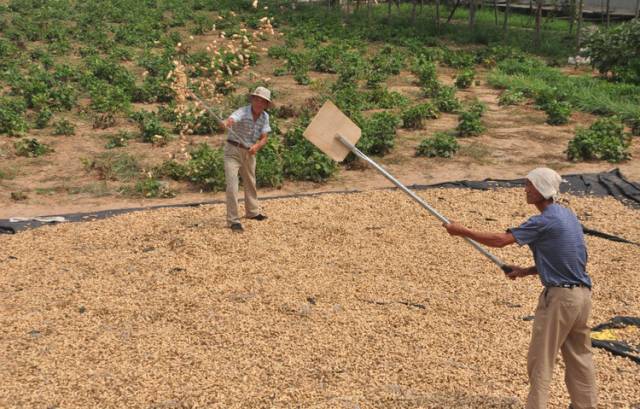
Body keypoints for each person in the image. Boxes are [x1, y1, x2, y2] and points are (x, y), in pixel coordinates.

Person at [443, 167, 597, 409]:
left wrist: (463, 231)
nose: (525, 189)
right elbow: (571, 258)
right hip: (581, 297)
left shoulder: (543, 220)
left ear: (541, 190)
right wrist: (527, 271)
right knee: (580, 358)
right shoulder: (568, 216)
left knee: (541, 360)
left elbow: (500, 241)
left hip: (560, 300)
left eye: (529, 185)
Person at [221, 86, 272, 232]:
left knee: (250, 182)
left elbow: (264, 138)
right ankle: (233, 220)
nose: (259, 103)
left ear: (266, 105)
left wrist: (257, 146)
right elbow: (233, 118)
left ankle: (252, 212)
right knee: (232, 185)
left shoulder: (265, 117)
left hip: (249, 152)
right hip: (233, 151)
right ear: (252, 99)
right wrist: (227, 122)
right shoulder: (242, 111)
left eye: (262, 101)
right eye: (257, 99)